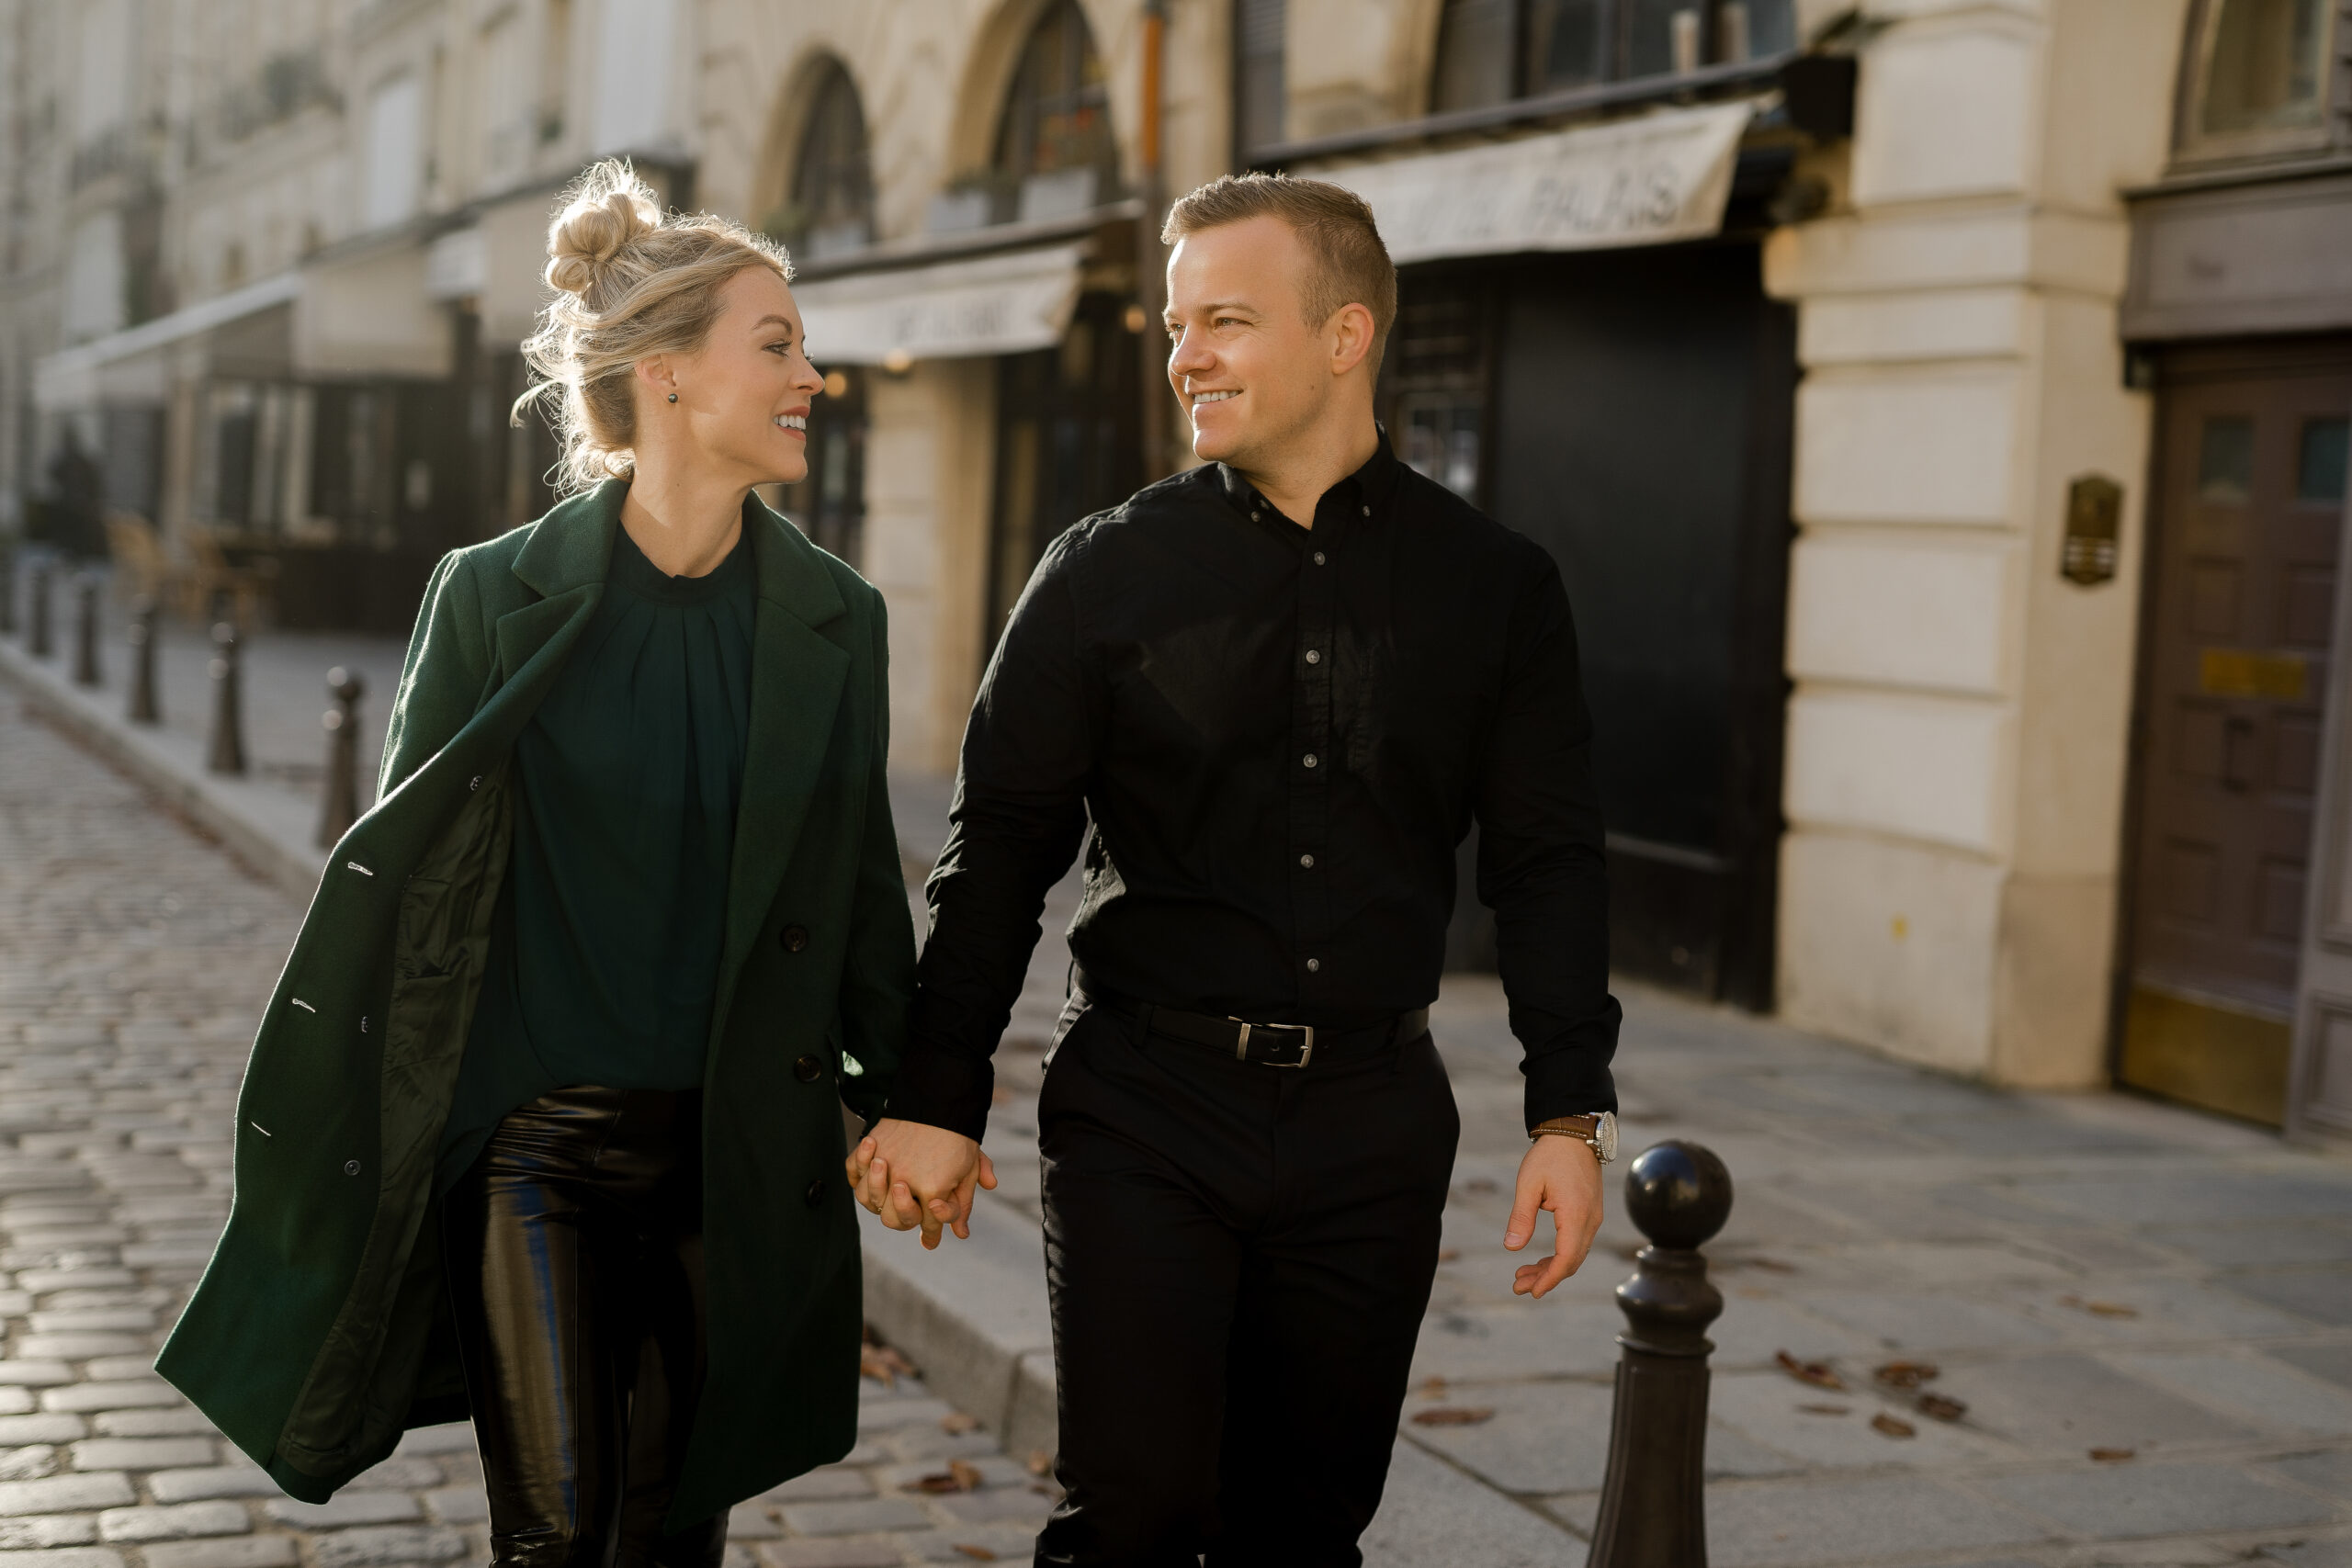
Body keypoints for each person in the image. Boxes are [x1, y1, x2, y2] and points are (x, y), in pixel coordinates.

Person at [851, 173, 1623, 1565]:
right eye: (1174, 322)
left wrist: (1571, 1113)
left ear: (1346, 334)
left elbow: (1550, 860)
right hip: (1149, 1109)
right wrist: (934, 1098)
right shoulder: (1101, 574)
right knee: (1133, 1517)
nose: (1183, 355)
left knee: (1306, 1535)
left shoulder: (1495, 588)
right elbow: (998, 856)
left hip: (1374, 1126)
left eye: (1224, 320)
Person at [156, 160, 915, 1567]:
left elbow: (859, 886)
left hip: (729, 1154)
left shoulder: (835, 619)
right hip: (534, 1149)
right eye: (778, 345)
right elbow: (417, 881)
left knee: (671, 1540)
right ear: (668, 377)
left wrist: (920, 1102)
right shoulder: (492, 593)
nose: (814, 373)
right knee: (557, 1541)